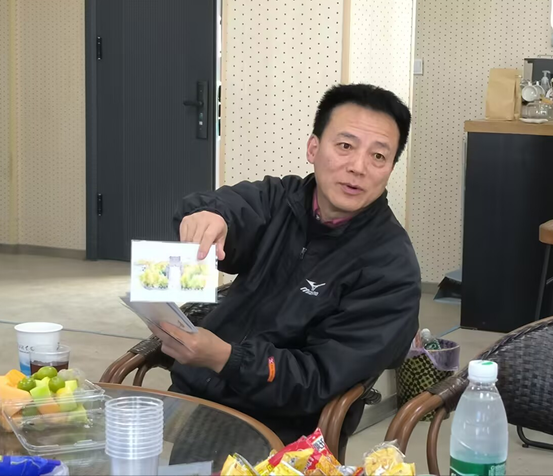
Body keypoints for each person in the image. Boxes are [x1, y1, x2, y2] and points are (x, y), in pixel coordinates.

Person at [152, 83, 421, 445]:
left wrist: (226, 358)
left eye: (378, 156)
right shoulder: (281, 199)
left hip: (287, 433)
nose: (358, 167)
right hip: (198, 396)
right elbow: (231, 206)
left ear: (390, 168)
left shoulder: (391, 268)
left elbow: (319, 380)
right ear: (313, 148)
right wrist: (208, 217)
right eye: (345, 146)